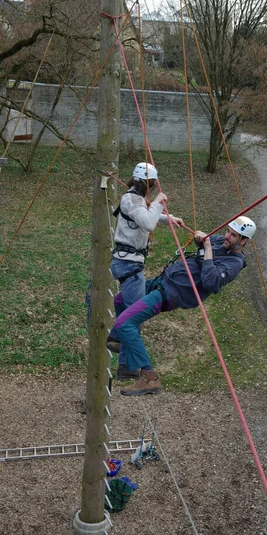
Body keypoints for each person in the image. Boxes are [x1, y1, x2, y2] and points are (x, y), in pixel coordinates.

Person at [114, 215, 256, 396]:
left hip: (170, 293)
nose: (227, 237)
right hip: (162, 281)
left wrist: (207, 249)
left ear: (243, 241)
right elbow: (206, 243)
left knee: (124, 324)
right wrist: (201, 240)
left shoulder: (234, 263)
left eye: (234, 235)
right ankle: (126, 359)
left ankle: (150, 377)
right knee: (120, 300)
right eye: (228, 232)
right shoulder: (223, 242)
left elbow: (211, 281)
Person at [106, 161, 184, 380]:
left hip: (130, 262)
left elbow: (146, 216)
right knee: (134, 313)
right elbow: (147, 222)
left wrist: (169, 219)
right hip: (128, 263)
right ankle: (129, 365)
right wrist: (159, 202)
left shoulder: (135, 199)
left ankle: (121, 352)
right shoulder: (130, 199)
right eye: (150, 185)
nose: (150, 188)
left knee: (130, 310)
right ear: (145, 183)